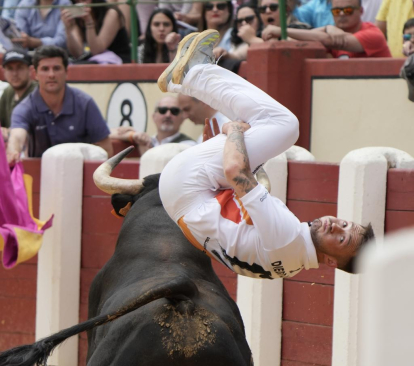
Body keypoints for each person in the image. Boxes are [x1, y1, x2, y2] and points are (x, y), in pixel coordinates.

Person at [156, 30, 375, 279]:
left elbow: (235, 172)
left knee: (284, 125)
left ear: (331, 261)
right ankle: (183, 80)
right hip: (183, 200)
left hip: (188, 184)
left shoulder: (288, 236)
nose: (335, 225)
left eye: (342, 238)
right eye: (345, 224)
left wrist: (233, 133)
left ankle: (192, 73)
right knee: (259, 126)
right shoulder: (289, 264)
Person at [6, 45, 113, 165]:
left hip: (81, 177)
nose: (51, 74)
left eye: (56, 68)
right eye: (45, 69)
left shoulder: (85, 103)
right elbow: (17, 136)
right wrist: (14, 151)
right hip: (39, 179)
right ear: (34, 73)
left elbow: (106, 149)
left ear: (66, 72)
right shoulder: (25, 107)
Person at [263, 0, 392, 58]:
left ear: (361, 11)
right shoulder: (332, 31)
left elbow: (330, 40)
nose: (341, 14)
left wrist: (281, 31)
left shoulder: (373, 33)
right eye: (336, 11)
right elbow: (308, 41)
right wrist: (326, 27)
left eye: (347, 10)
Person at [110, 95, 196, 156]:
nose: (168, 115)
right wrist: (133, 135)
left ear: (183, 117)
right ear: (154, 117)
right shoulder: (146, 139)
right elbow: (106, 133)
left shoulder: (189, 145)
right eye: (163, 110)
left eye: (174, 111)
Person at [61, 0, 131, 64]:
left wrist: (89, 23)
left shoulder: (111, 13)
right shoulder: (77, 16)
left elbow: (97, 50)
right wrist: (68, 30)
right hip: (92, 61)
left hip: (117, 61)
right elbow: (78, 53)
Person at [0, 49, 37, 142]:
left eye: (20, 68)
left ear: (30, 70)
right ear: (3, 71)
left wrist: (9, 132)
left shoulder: (38, 92)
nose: (15, 74)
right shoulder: (8, 92)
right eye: (10, 68)